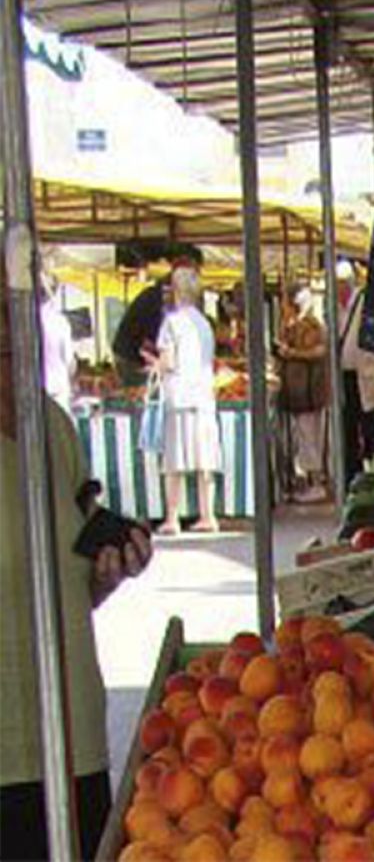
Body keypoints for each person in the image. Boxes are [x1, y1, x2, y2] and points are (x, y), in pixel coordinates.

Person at [2, 261, 153, 861]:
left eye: (19, 315)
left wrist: (107, 573)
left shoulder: (52, 426)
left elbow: (66, 585)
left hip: (73, 740)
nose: (14, 338)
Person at [151, 264, 222, 535]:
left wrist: (155, 364)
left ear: (177, 291)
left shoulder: (171, 322)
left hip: (179, 395)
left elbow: (168, 362)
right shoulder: (204, 324)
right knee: (205, 459)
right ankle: (208, 515)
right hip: (204, 394)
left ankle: (172, 517)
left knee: (175, 461)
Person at [278, 282, 330, 502]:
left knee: (310, 437)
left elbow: (319, 351)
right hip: (299, 392)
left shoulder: (311, 326)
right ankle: (310, 479)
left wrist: (290, 353)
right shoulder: (294, 325)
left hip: (308, 391)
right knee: (304, 437)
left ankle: (316, 482)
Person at [338, 261, 374, 484]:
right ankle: (351, 477)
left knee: (370, 426)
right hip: (346, 377)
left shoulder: (363, 299)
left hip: (366, 375)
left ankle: (373, 474)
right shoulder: (334, 307)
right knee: (348, 428)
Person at [39, 273, 76, 414]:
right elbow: (68, 360)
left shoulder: (26, 320)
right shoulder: (60, 322)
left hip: (40, 389)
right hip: (57, 388)